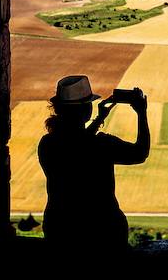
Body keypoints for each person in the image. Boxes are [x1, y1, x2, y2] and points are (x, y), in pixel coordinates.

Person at [38, 74, 150, 255]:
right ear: (86, 110)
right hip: (103, 236)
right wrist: (141, 113)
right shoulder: (102, 145)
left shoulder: (47, 144)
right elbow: (140, 153)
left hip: (60, 233)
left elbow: (75, 149)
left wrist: (98, 120)